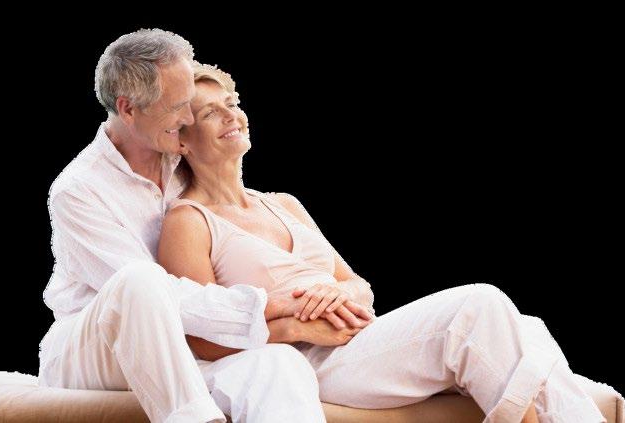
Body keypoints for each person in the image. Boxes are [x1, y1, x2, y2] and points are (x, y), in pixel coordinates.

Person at [157, 62, 606, 423]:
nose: (232, 116)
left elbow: (358, 284)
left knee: (525, 329)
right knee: (479, 304)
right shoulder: (189, 220)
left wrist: (337, 293)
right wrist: (294, 327)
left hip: (359, 341)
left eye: (232, 103)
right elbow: (201, 339)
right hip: (310, 361)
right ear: (182, 142)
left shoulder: (284, 204)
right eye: (211, 113)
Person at [38, 29, 328, 423]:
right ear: (128, 109)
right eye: (177, 106)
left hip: (182, 343)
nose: (189, 118)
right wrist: (275, 308)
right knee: (140, 279)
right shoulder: (78, 190)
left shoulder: (183, 161)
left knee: (276, 363)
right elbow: (156, 298)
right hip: (94, 347)